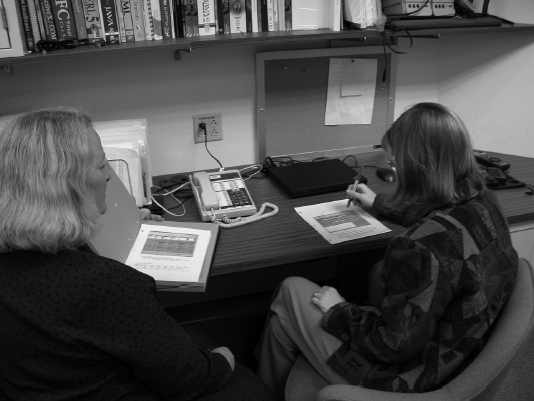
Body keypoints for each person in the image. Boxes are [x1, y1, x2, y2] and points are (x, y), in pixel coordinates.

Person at [0, 108, 273, 401]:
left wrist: (122, 220)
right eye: (101, 165)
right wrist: (223, 359)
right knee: (247, 386)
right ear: (69, 187)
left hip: (42, 384)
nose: (109, 176)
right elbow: (190, 379)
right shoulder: (107, 284)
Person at [256, 102, 518, 399]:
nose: (392, 166)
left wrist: (338, 309)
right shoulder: (483, 200)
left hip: (410, 376)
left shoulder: (418, 246)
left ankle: (258, 389)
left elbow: (392, 344)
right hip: (464, 351)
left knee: (291, 288)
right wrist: (380, 203)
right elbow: (448, 230)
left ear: (417, 166)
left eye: (394, 160)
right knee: (283, 324)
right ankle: (265, 390)